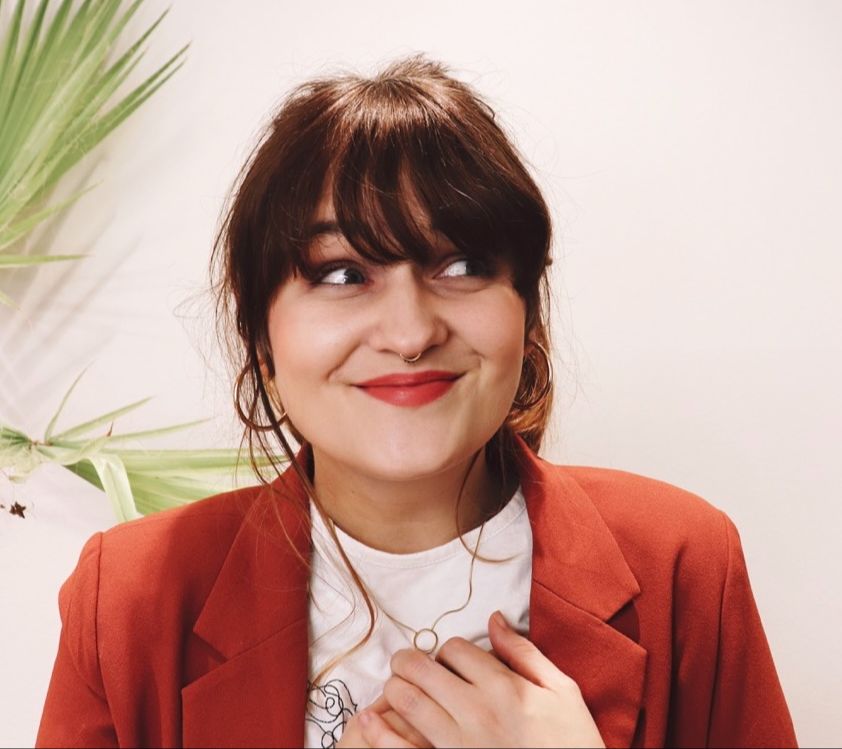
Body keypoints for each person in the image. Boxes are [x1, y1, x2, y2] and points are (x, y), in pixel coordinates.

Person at [36, 56, 797, 749]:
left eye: (460, 265)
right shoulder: (128, 596)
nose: (409, 334)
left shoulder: (683, 562)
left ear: (527, 312)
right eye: (342, 274)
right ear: (261, 340)